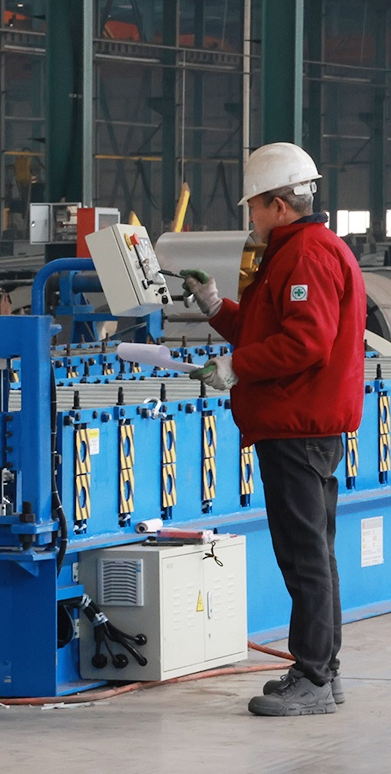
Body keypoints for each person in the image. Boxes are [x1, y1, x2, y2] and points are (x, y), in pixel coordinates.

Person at [181, 142, 366, 717]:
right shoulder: (296, 251)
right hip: (301, 424)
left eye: (255, 207)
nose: (252, 218)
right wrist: (215, 306)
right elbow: (269, 329)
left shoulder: (307, 254)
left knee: (305, 557)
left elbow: (305, 342)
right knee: (315, 554)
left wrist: (236, 367)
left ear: (279, 205)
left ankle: (313, 678)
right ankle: (324, 672)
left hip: (296, 427)